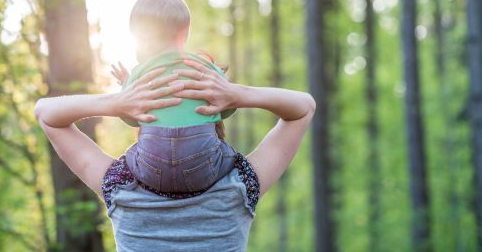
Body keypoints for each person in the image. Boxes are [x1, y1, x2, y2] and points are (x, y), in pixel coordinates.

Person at [34, 59, 315, 250]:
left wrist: (118, 102)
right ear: (216, 118)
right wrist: (236, 94)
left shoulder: (120, 186)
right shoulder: (240, 184)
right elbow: (303, 108)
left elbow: (46, 114)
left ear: (141, 118)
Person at [110, 0, 238, 194]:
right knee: (233, 156)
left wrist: (127, 84)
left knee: (129, 155)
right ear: (185, 33)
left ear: (140, 37)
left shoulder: (140, 74)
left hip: (152, 172)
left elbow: (131, 118)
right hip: (203, 171)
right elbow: (228, 109)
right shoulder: (205, 69)